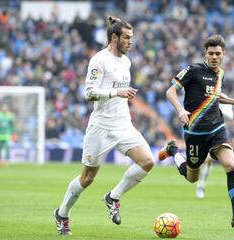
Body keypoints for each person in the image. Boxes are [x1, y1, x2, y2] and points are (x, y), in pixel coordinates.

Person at [53, 16, 155, 235]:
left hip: (123, 125)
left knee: (147, 161)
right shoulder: (99, 60)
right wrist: (115, 92)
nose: (131, 42)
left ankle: (113, 197)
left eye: (132, 38)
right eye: (126, 38)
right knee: (87, 178)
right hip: (100, 127)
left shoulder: (126, 61)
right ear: (114, 37)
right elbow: (89, 93)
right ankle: (62, 213)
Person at [158, 34, 234, 228]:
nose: (214, 57)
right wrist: (180, 110)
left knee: (230, 165)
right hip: (195, 133)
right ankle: (172, 152)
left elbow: (215, 96)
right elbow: (170, 91)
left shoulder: (220, 73)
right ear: (205, 53)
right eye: (211, 53)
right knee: (191, 177)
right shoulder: (193, 70)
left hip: (216, 129)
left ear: (223, 54)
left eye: (218, 53)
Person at [195, 104, 234, 199]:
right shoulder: (206, 97)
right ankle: (200, 184)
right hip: (204, 131)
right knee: (203, 160)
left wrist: (215, 110)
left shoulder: (223, 100)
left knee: (209, 159)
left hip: (218, 134)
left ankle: (201, 185)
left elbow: (230, 116)